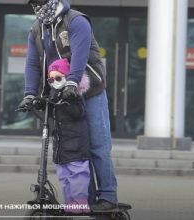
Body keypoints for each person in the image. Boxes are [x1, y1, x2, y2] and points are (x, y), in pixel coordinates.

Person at [18, 0, 118, 211]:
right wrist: (29, 93)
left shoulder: (76, 20)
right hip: (62, 95)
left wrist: (73, 81)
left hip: (90, 91)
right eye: (33, 3)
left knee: (98, 146)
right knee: (78, 150)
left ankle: (108, 196)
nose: (35, 6)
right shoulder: (37, 28)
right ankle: (85, 200)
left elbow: (80, 56)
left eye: (38, 2)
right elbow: (33, 63)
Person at [47, 58, 91, 214]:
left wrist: (68, 99)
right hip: (62, 144)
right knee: (64, 175)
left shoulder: (74, 94)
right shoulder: (55, 94)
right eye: (51, 79)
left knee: (78, 173)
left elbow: (79, 113)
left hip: (76, 143)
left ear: (67, 76)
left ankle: (80, 201)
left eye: (58, 78)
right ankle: (70, 202)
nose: (55, 82)